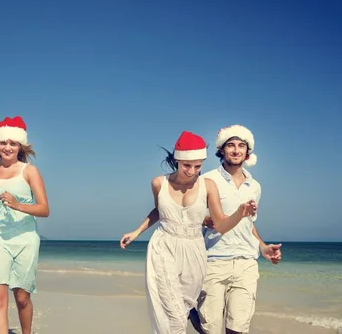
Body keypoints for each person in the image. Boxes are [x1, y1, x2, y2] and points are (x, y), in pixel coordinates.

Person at [119, 130, 257, 334]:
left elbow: (221, 226)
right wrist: (137, 231)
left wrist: (240, 213)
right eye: (187, 166)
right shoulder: (159, 183)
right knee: (174, 316)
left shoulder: (208, 186)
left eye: (198, 166)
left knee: (183, 309)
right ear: (177, 160)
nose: (192, 171)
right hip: (164, 246)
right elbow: (160, 210)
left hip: (195, 251)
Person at [192, 125, 282, 334]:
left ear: (247, 152)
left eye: (241, 146)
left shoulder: (255, 186)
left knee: (238, 329)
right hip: (214, 260)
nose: (236, 150)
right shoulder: (206, 180)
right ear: (221, 150)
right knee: (210, 329)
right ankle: (192, 312)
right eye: (230, 145)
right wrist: (205, 219)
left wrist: (263, 247)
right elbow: (190, 214)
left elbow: (248, 224)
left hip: (246, 263)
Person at [0, 116, 49, 334]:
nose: (7, 147)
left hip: (24, 238)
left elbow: (44, 209)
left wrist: (18, 205)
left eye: (13, 143)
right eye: (3, 142)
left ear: (20, 146)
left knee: (22, 298)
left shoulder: (29, 171)